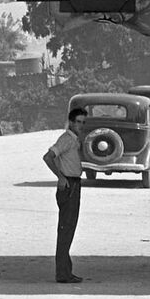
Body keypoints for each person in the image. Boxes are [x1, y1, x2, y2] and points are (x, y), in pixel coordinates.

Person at [43, 107, 88, 284]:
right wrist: (60, 177)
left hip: (74, 183)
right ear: (70, 122)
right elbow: (48, 157)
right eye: (78, 122)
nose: (81, 125)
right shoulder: (66, 139)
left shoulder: (75, 140)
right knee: (65, 229)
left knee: (69, 229)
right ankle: (62, 273)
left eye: (83, 122)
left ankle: (65, 270)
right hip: (68, 184)